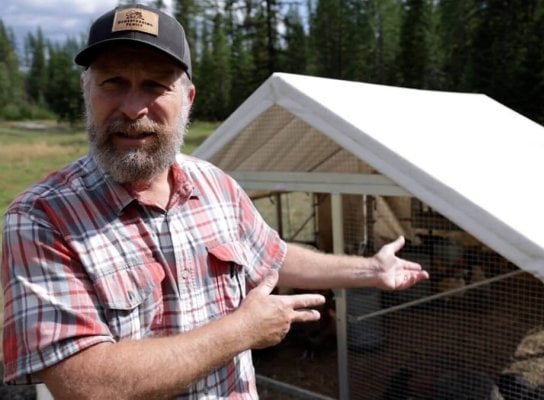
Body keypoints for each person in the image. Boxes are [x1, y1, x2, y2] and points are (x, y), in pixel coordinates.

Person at [1, 4, 428, 399]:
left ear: (187, 100)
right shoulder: (40, 219)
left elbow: (272, 257)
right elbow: (83, 385)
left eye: (155, 85)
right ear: (86, 91)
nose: (133, 107)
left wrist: (371, 269)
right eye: (113, 82)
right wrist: (242, 330)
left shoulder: (214, 184)